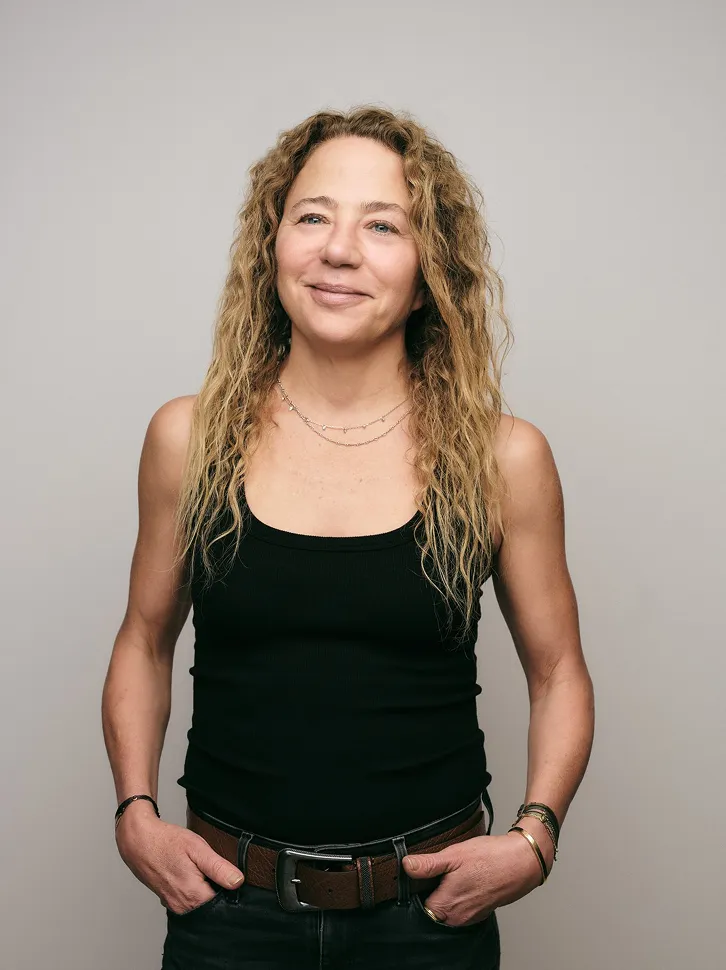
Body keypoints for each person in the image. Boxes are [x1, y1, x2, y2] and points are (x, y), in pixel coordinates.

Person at [102, 105, 595, 970]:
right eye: (314, 216)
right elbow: (144, 642)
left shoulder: (501, 458)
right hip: (228, 916)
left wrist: (534, 837)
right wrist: (135, 814)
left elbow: (558, 672)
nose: (339, 250)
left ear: (429, 266)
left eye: (382, 225)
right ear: (274, 242)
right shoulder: (188, 439)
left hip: (427, 922)